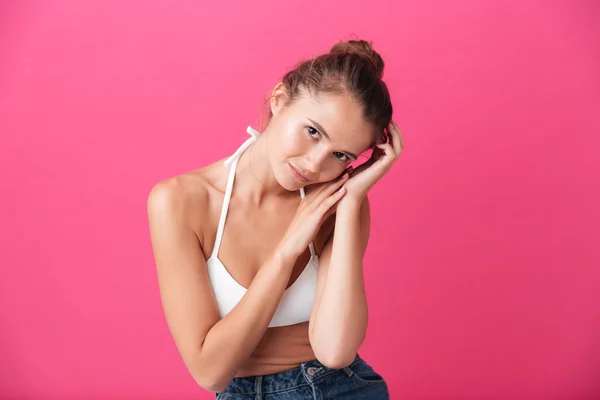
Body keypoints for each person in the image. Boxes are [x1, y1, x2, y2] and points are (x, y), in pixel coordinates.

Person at [148, 39, 404, 399]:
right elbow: (209, 371)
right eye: (312, 132)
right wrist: (287, 250)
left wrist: (351, 204)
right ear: (279, 99)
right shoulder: (181, 201)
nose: (316, 164)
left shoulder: (337, 202)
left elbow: (334, 350)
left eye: (341, 155)